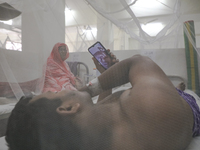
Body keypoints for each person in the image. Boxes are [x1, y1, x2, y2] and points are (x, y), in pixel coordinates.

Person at [6, 55, 200, 150]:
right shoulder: (151, 106)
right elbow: (137, 62)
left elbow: (99, 111)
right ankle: (179, 90)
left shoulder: (95, 136)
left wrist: (105, 73)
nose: (64, 89)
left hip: (150, 106)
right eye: (57, 92)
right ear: (67, 107)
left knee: (110, 102)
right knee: (164, 90)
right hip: (177, 105)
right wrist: (90, 88)